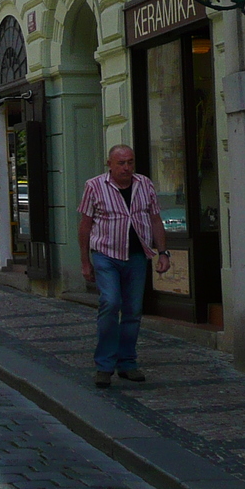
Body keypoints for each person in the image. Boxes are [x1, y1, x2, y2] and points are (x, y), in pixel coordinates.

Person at [78, 145, 172, 388]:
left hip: (137, 256)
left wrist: (163, 252)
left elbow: (154, 219)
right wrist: (85, 262)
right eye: (121, 163)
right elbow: (85, 225)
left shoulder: (145, 184)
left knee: (132, 310)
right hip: (106, 255)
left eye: (130, 162)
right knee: (110, 303)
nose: (126, 168)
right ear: (109, 164)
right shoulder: (94, 186)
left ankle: (127, 363)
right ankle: (104, 365)